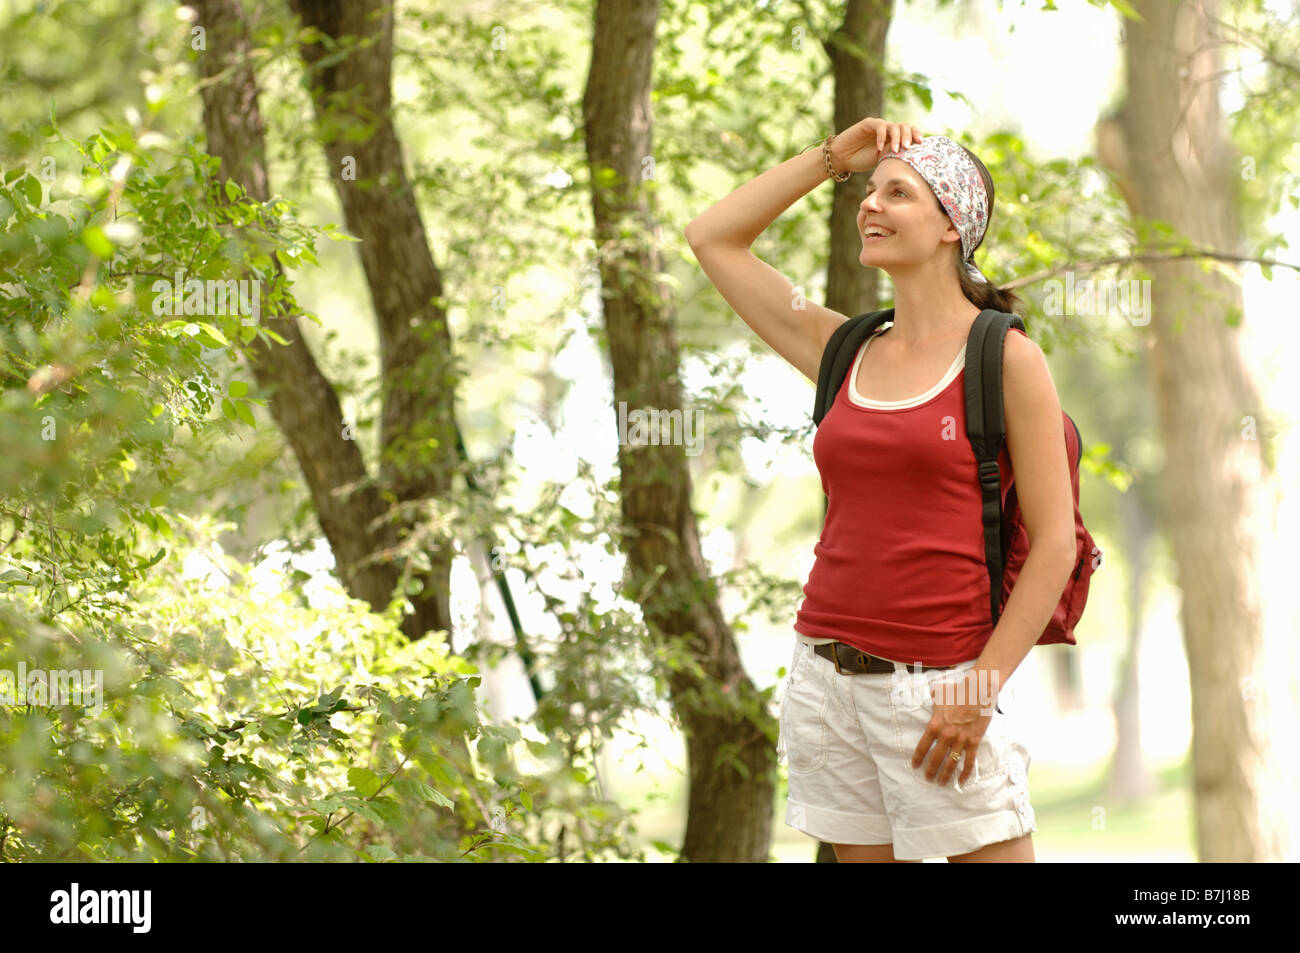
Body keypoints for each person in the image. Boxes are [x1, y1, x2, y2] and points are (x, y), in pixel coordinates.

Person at [684, 118, 1078, 863]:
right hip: (827, 681)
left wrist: (979, 690)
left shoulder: (1005, 359)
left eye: (898, 192)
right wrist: (836, 155)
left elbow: (1056, 543)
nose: (871, 203)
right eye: (869, 192)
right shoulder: (844, 348)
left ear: (949, 227)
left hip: (942, 690)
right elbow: (712, 238)